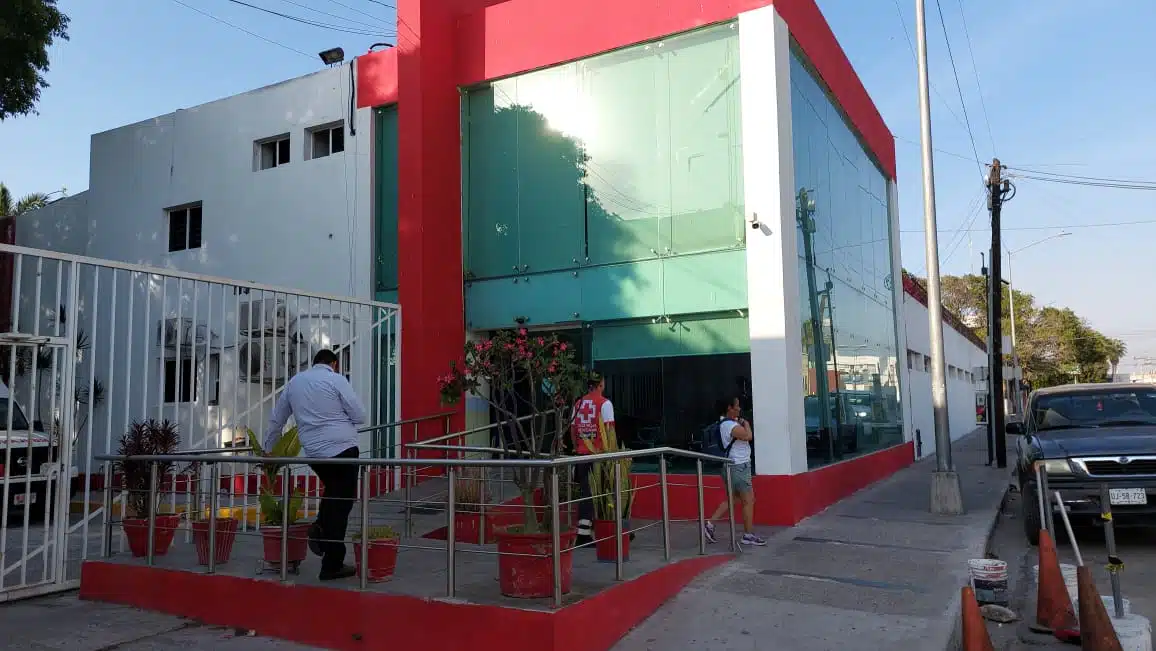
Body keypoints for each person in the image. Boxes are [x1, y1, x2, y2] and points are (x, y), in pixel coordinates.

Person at [264, 348, 367, 580]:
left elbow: (276, 419)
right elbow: (360, 415)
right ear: (335, 363)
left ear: (314, 363)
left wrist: (269, 449)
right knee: (342, 503)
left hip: (315, 453)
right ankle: (332, 562)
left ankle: (321, 528)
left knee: (333, 494)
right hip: (343, 449)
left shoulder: (295, 383)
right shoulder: (336, 379)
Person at [703, 397, 766, 546]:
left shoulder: (728, 424)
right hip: (738, 466)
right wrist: (746, 424)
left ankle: (710, 524)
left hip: (735, 466)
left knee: (734, 498)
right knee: (748, 500)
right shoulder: (729, 425)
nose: (739, 409)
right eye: (736, 406)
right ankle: (748, 535)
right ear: (729, 408)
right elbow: (747, 436)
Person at [570, 372, 615, 547]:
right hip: (598, 456)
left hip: (581, 455)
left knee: (586, 493)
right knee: (597, 495)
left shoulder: (578, 403)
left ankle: (588, 530)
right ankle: (584, 534)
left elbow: (573, 430)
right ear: (601, 384)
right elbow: (609, 431)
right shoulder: (605, 404)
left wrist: (577, 448)